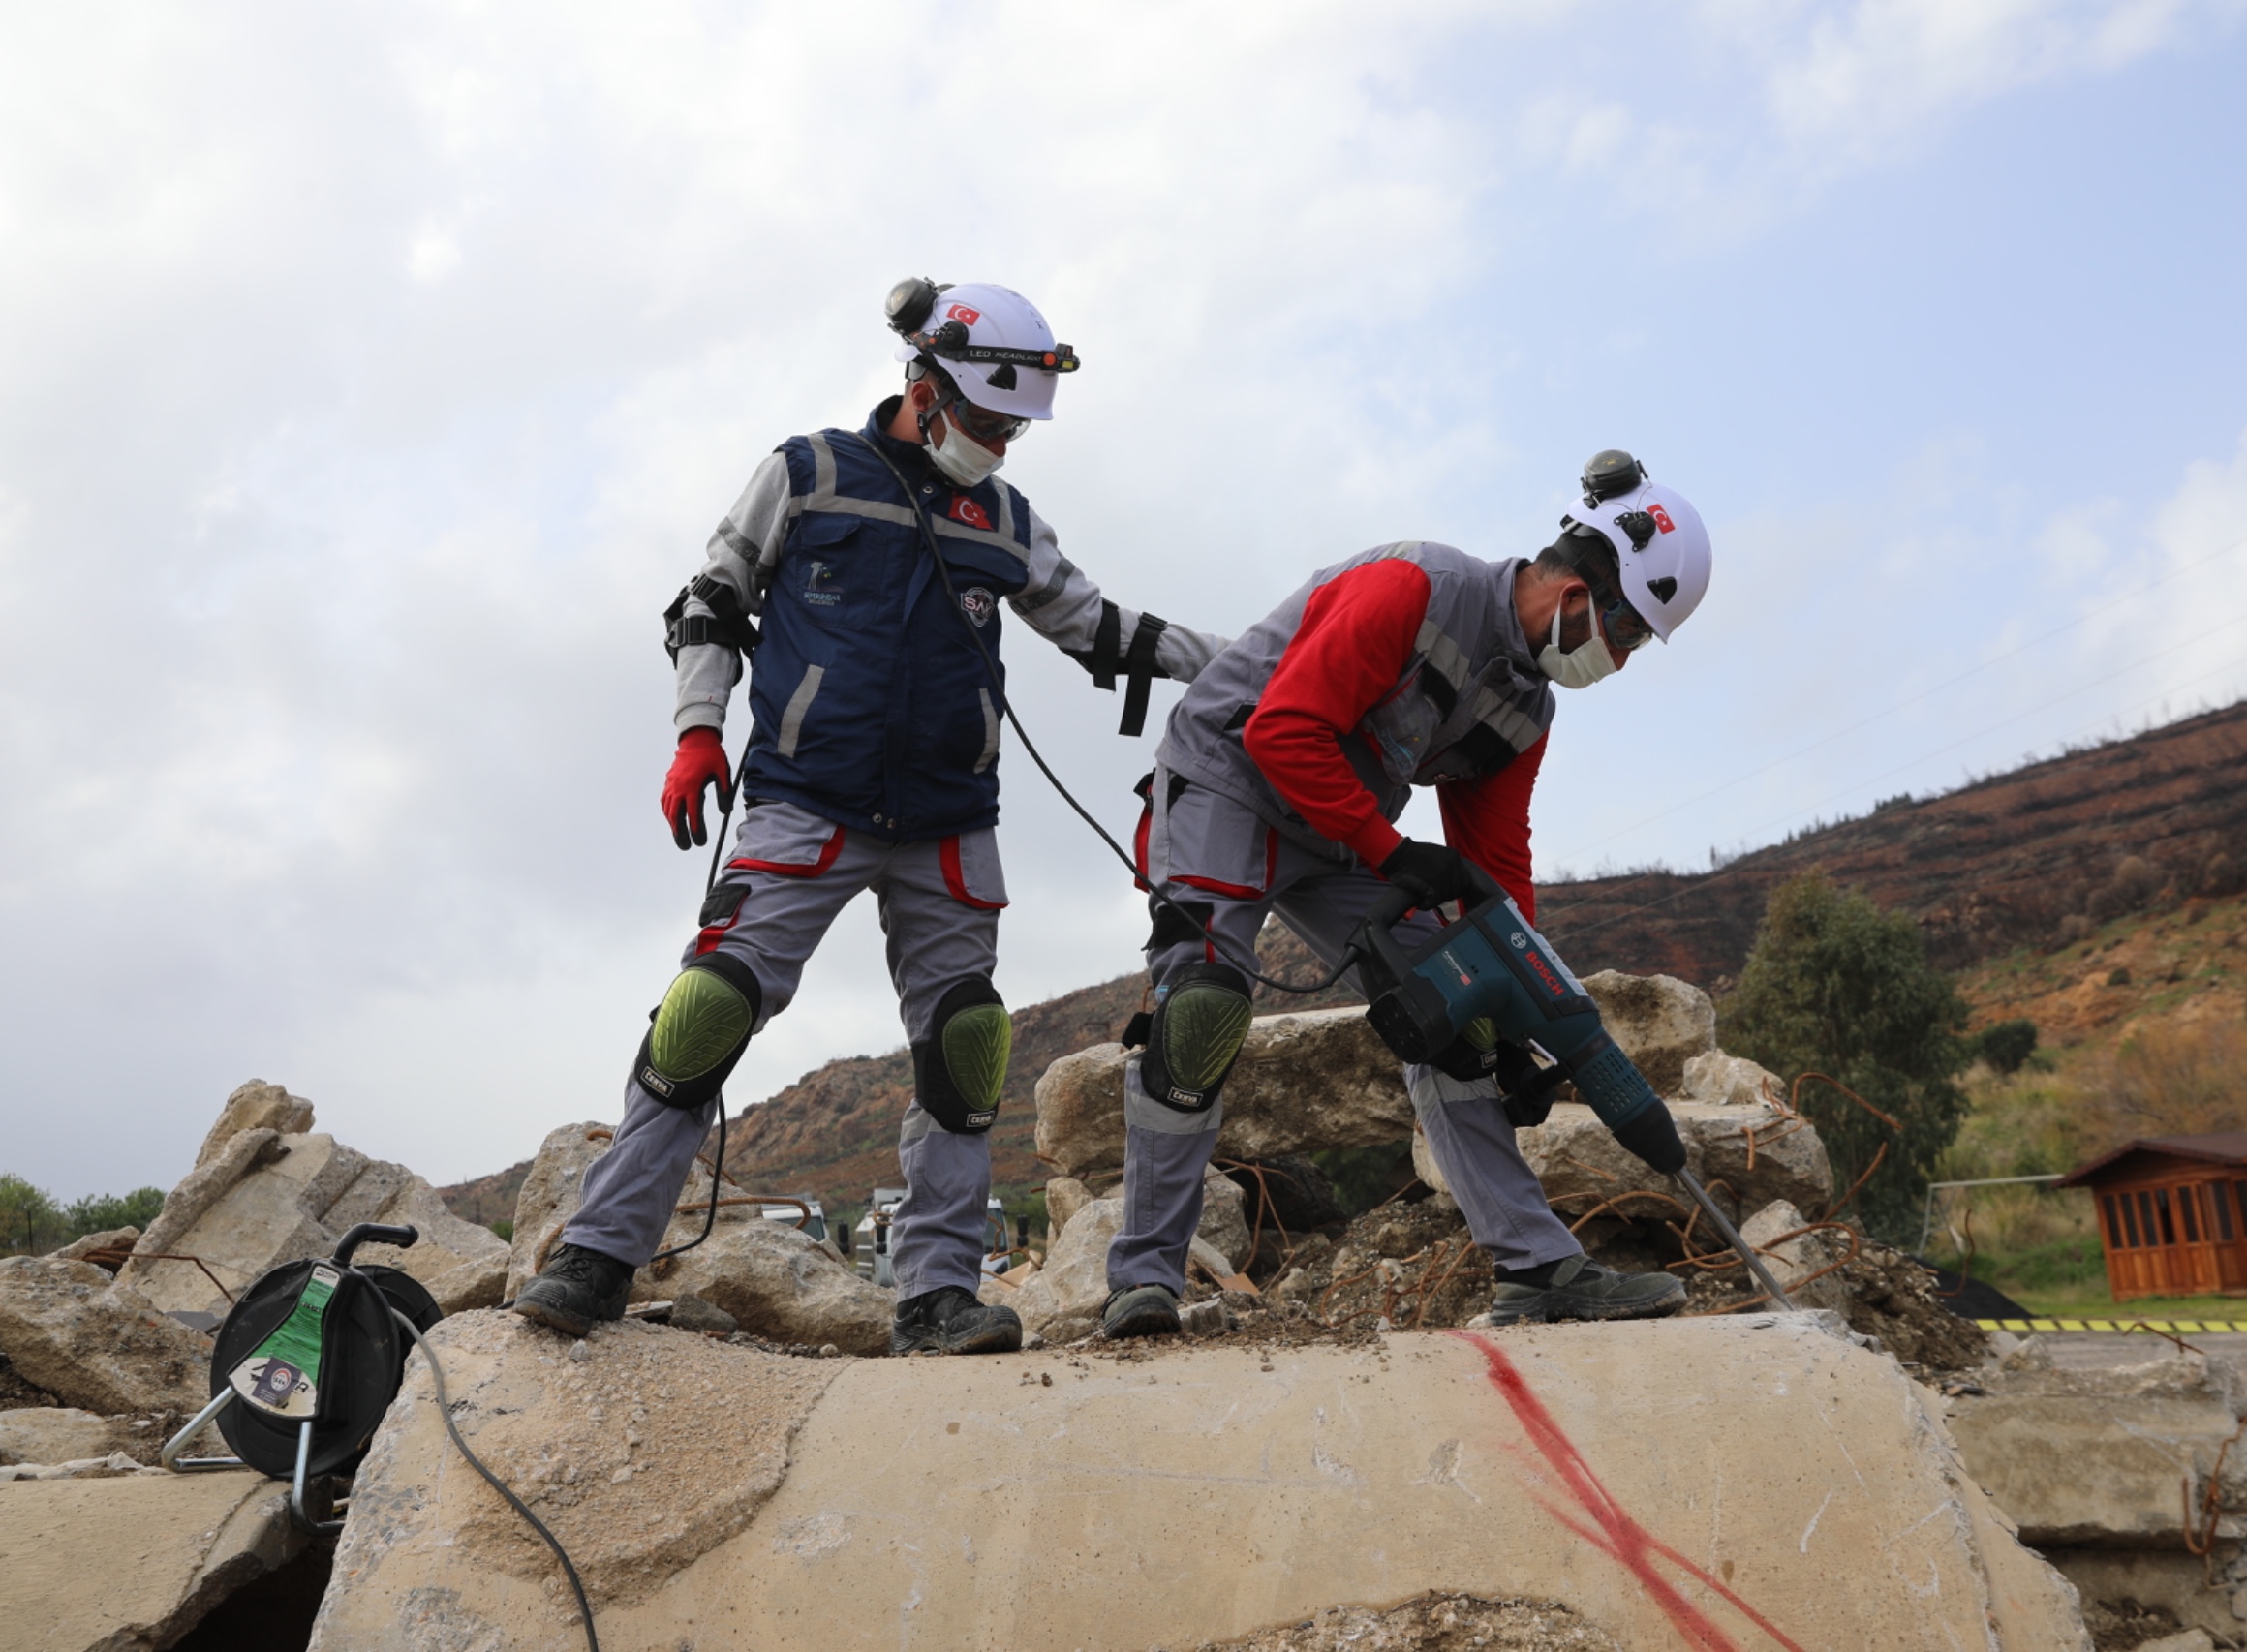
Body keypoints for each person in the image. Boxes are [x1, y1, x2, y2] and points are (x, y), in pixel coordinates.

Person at [511, 280, 1226, 1355]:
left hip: (949, 817)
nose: (1000, 441)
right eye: (985, 419)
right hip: (808, 798)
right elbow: (712, 593)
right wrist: (697, 727)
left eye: (1013, 425)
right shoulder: (808, 472)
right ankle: (600, 1250)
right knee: (707, 1009)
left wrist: (1248, 663)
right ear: (922, 383)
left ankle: (936, 1293)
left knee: (964, 1044)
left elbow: (1095, 625)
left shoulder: (1007, 518)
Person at [1099, 450, 1712, 1338]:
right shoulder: (1413, 587)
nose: (1616, 662)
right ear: (1585, 595)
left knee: (1457, 1008)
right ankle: (1144, 1281)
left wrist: (1518, 1007)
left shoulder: (1527, 711)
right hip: (1232, 775)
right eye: (1624, 638)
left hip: (1339, 826)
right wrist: (1390, 850)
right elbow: (1284, 730)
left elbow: (1498, 868)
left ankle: (1537, 1269)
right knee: (1201, 1007)